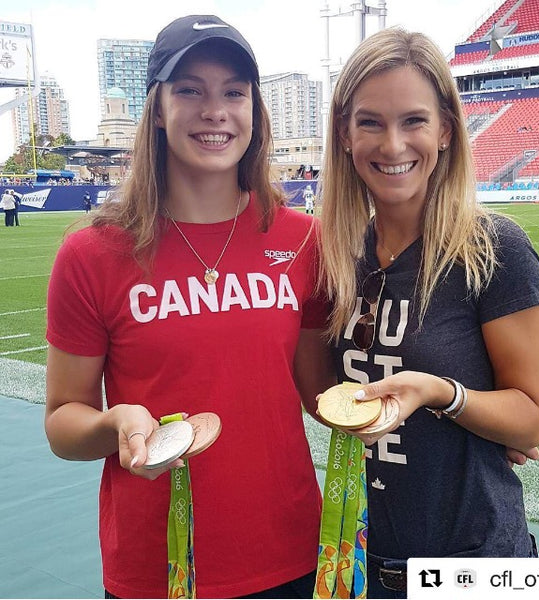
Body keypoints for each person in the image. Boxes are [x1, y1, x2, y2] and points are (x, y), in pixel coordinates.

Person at [44, 15, 334, 599]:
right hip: (161, 566)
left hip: (290, 551)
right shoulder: (92, 253)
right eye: (190, 90)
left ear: (255, 108)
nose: (215, 109)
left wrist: (458, 410)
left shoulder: (305, 239)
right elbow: (62, 423)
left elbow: (324, 392)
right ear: (157, 109)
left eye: (234, 92)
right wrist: (115, 424)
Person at [318, 27, 539, 598]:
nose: (392, 145)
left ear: (445, 130)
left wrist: (442, 393)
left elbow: (529, 420)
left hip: (475, 562)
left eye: (413, 120)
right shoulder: (336, 254)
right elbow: (321, 388)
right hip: (361, 556)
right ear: (345, 135)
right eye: (370, 121)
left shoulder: (494, 248)